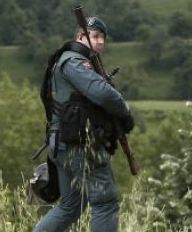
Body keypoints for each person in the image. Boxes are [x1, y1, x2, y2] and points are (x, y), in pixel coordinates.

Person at [34, 16, 135, 232]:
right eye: (95, 36)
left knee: (71, 206)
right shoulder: (75, 62)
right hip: (80, 145)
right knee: (105, 203)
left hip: (62, 144)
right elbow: (104, 95)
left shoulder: (64, 60)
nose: (100, 42)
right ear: (81, 36)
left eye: (103, 38)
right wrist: (125, 112)